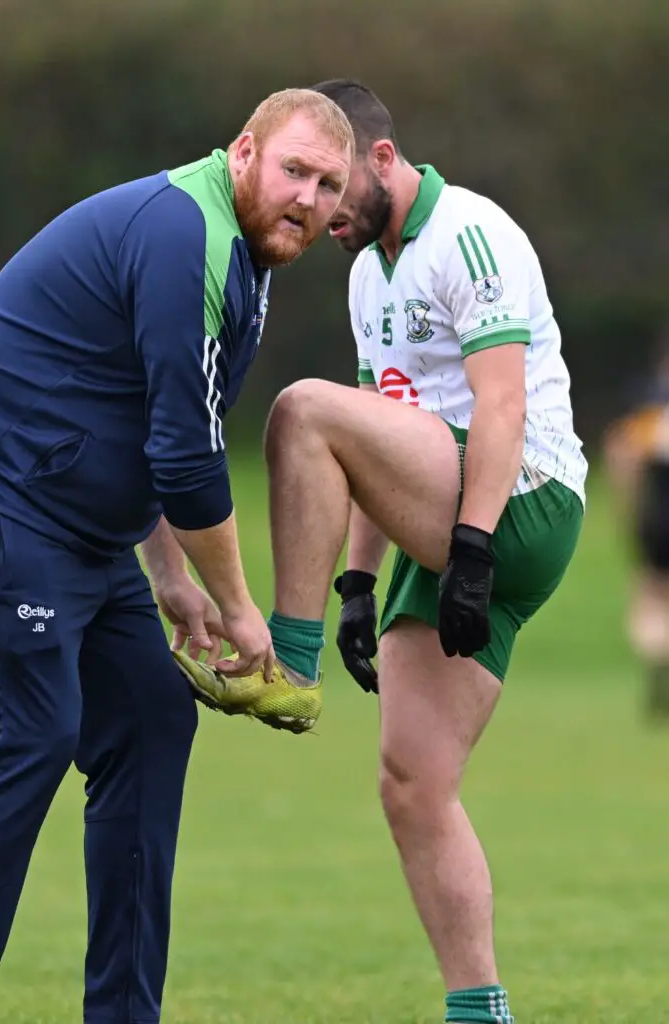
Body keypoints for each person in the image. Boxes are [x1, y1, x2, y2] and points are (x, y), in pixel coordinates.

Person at [0, 88, 353, 1024]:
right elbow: (187, 457)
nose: (307, 197)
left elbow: (151, 416)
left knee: (149, 720)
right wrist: (237, 607)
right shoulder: (185, 236)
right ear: (243, 153)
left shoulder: (243, 258)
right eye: (293, 169)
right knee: (31, 736)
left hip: (81, 520)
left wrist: (169, 574)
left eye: (327, 184)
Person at [175, 79, 587, 1023]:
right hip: (451, 520)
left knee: (301, 411)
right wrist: (359, 582)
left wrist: (473, 550)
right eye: (304, 188)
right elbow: (380, 446)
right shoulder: (369, 273)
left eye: (331, 185)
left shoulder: (469, 233)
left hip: (516, 500)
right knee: (412, 783)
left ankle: (289, 652)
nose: (318, 210)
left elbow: (502, 406)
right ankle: (477, 1008)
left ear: (384, 162)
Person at [603, 340, 669, 716]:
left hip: (657, 517)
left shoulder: (650, 412)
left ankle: (658, 657)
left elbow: (620, 454)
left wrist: (627, 508)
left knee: (651, 595)